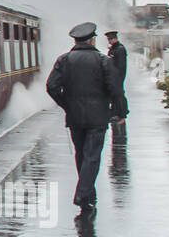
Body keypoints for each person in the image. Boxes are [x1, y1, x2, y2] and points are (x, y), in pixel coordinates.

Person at [45, 22, 126, 211]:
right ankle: (82, 193)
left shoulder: (63, 60)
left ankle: (89, 193)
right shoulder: (103, 60)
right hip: (98, 117)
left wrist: (66, 104)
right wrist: (120, 112)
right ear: (92, 39)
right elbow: (116, 89)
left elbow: (51, 87)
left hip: (75, 117)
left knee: (81, 154)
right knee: (92, 156)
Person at [104, 30, 129, 145]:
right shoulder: (114, 48)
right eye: (109, 39)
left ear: (115, 38)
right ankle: (116, 113)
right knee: (115, 95)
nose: (109, 41)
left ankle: (122, 115)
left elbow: (120, 65)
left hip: (117, 75)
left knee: (119, 95)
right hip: (113, 75)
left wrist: (117, 76)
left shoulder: (120, 49)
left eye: (111, 39)